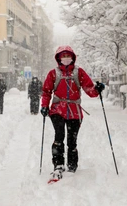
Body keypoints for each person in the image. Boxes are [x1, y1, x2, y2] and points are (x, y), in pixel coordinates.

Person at [40, 45, 105, 180]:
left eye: (68, 56)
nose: (65, 58)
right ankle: (58, 165)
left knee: (72, 140)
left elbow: (89, 90)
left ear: (72, 57)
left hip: (74, 111)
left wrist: (97, 89)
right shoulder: (53, 73)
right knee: (59, 136)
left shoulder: (79, 72)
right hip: (57, 110)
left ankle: (72, 165)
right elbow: (46, 91)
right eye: (63, 56)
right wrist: (45, 106)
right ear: (58, 58)